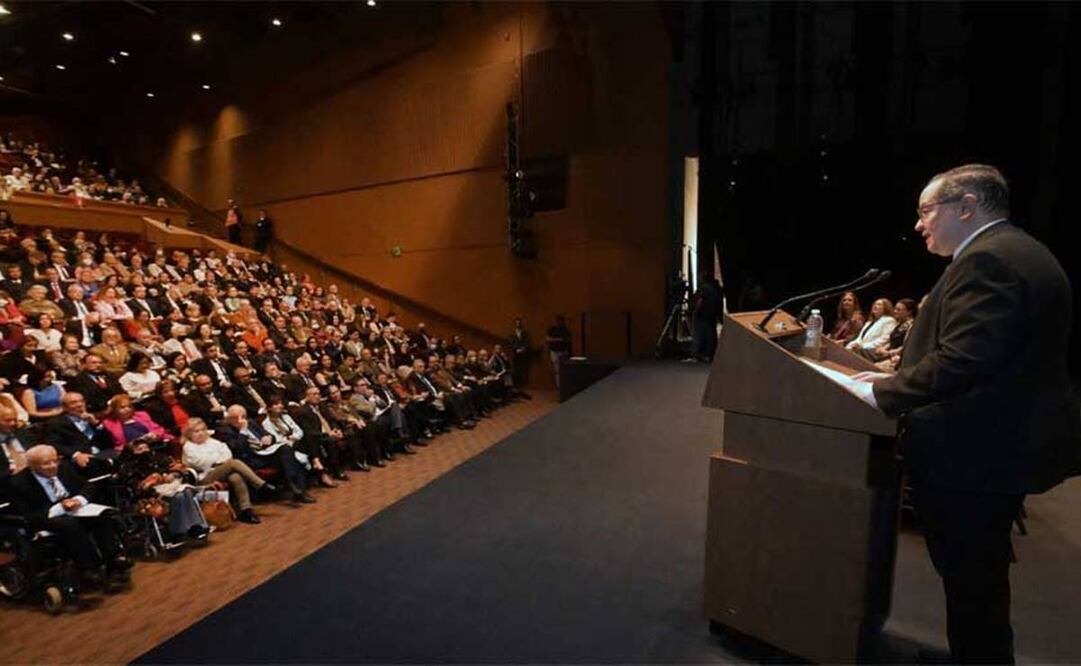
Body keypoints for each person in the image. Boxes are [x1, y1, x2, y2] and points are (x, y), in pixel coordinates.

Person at [854, 164, 1081, 664]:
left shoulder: (989, 261)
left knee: (973, 586)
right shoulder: (1015, 250)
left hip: (977, 455)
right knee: (976, 583)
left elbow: (965, 360)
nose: (918, 225)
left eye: (925, 211)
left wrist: (885, 395)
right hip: (999, 446)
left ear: (966, 207)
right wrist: (894, 377)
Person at [6, 444, 132, 583]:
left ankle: (113, 560)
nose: (53, 466)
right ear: (32, 466)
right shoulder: (18, 483)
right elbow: (28, 513)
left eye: (55, 460)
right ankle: (88, 567)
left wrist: (79, 499)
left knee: (102, 515)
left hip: (75, 509)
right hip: (47, 517)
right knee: (70, 524)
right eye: (46, 464)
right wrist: (60, 507)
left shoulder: (64, 468)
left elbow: (87, 485)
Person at [180, 417, 270, 524]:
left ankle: (246, 510)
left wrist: (216, 461)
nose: (201, 433)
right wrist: (218, 459)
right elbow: (202, 463)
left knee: (235, 476)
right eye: (196, 431)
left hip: (220, 470)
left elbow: (227, 454)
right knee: (233, 463)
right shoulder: (188, 446)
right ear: (189, 434)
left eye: (203, 430)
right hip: (204, 478)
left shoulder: (212, 441)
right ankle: (260, 485)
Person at [692, 272, 724, 362]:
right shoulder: (715, 289)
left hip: (702, 315)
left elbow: (700, 301)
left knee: (700, 334)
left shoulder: (704, 288)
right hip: (711, 315)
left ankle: (699, 353)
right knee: (710, 335)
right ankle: (708, 354)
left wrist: (695, 311)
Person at [545, 315, 572, 389]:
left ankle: (562, 385)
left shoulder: (565, 330)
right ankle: (558, 386)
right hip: (554, 351)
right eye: (558, 321)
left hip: (563, 351)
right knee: (557, 369)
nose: (559, 323)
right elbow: (547, 339)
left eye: (561, 321)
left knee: (562, 369)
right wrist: (559, 339)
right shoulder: (552, 329)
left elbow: (568, 340)